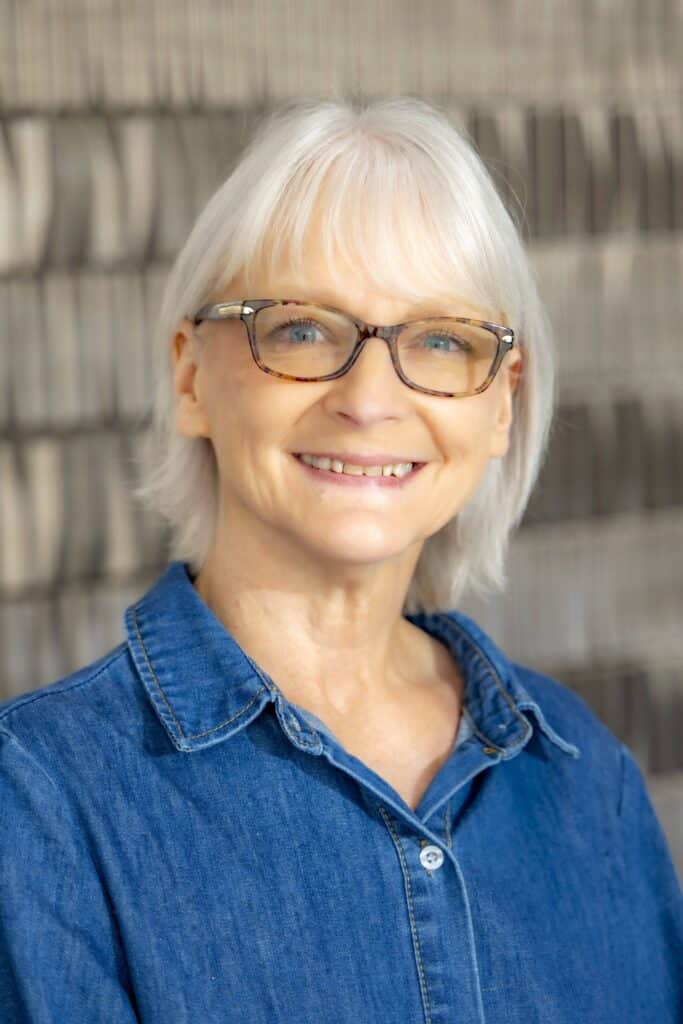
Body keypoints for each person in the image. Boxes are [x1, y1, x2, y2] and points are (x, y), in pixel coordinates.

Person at [0, 96, 681, 1023]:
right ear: (191, 376)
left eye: (440, 341)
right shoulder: (41, 800)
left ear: (500, 404)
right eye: (301, 329)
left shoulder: (584, 777)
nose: (368, 400)